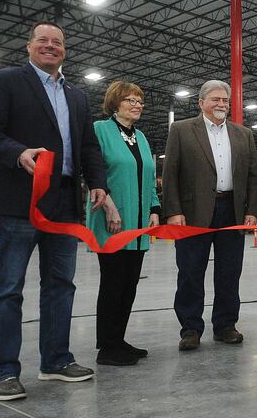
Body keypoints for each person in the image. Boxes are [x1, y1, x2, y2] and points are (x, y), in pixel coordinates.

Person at [0, 21, 107, 401]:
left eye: (58, 42)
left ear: (64, 50)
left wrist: (98, 182)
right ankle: (2, 371)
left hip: (64, 202)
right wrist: (18, 153)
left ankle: (55, 360)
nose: (51, 46)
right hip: (19, 200)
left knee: (61, 286)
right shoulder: (6, 82)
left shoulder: (77, 96)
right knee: (8, 288)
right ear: (29, 46)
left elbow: (87, 147)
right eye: (43, 41)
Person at [162, 80, 257, 351]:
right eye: (215, 99)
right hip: (193, 213)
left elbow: (254, 176)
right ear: (201, 103)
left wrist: (251, 210)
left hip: (232, 211)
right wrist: (173, 211)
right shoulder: (181, 130)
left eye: (224, 100)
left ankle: (225, 325)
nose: (221, 104)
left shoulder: (244, 134)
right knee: (191, 271)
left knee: (230, 272)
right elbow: (170, 174)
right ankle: (190, 328)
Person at [86, 81, 160, 365]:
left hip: (138, 224)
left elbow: (149, 176)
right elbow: (93, 171)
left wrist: (154, 208)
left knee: (129, 284)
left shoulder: (140, 137)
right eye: (130, 100)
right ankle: (107, 347)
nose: (137, 105)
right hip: (112, 220)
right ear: (115, 103)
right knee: (113, 283)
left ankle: (118, 339)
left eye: (140, 101)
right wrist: (108, 205)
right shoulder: (100, 130)